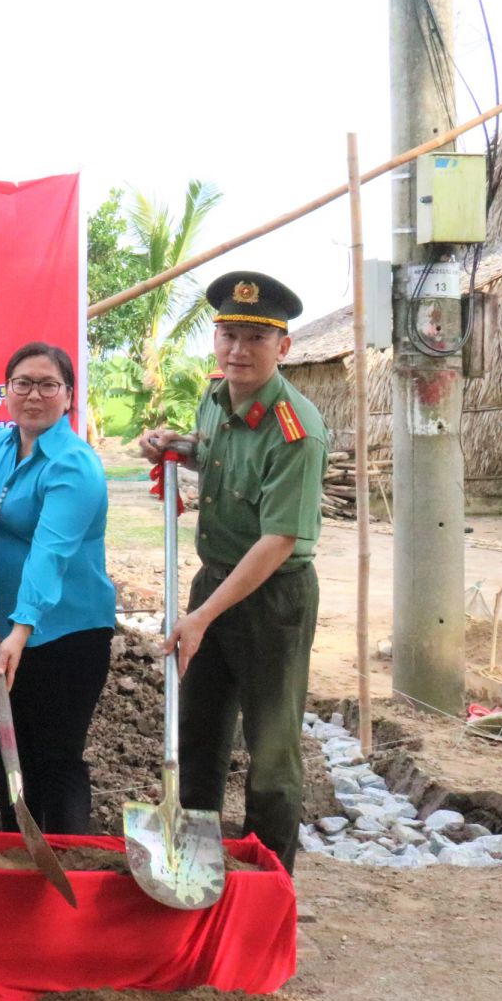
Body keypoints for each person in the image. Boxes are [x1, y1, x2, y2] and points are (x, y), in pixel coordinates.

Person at [137, 270, 327, 873]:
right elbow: (220, 453)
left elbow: (278, 540)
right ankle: (193, 871)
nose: (239, 351)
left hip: (274, 600)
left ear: (283, 347)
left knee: (271, 754)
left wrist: (200, 617)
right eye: (229, 336)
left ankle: (269, 885)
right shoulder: (216, 398)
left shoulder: (297, 430)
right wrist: (176, 446)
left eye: (256, 338)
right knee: (197, 735)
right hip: (214, 581)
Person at [0, 342, 115, 835]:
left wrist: (21, 629)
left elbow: (51, 551)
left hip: (63, 633)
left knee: (56, 757)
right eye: (22, 383)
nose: (33, 395)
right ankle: (17, 850)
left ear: (69, 396)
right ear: (7, 389)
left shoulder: (74, 464)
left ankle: (66, 856)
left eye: (47, 385)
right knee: (9, 749)